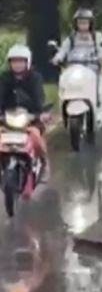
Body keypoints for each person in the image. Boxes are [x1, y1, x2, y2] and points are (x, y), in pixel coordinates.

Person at [0, 45, 50, 192]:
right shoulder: (4, 78)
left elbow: (39, 99)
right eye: (14, 61)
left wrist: (40, 114)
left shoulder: (35, 78)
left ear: (27, 62)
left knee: (36, 136)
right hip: (7, 119)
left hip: (31, 119)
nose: (17, 64)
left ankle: (44, 163)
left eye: (21, 61)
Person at [51, 9, 102, 114]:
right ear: (76, 24)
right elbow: (64, 49)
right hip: (73, 67)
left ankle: (98, 102)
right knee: (65, 81)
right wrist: (57, 58)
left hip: (91, 67)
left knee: (98, 81)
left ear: (90, 24)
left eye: (85, 23)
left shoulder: (96, 36)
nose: (82, 25)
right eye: (80, 23)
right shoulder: (71, 38)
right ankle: (65, 101)